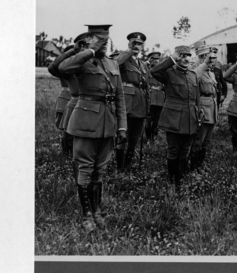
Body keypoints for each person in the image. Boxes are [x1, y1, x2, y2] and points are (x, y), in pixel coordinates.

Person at [58, 24, 127, 231]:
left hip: (108, 124)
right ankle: (86, 214)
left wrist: (122, 127)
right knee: (85, 168)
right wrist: (89, 50)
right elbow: (61, 69)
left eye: (105, 39)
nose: (104, 42)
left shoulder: (112, 63)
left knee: (100, 170)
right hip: (85, 122)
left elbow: (120, 97)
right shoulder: (81, 60)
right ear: (88, 40)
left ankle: (97, 210)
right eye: (99, 39)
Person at [150, 45, 207, 187]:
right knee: (174, 148)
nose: (186, 58)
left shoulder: (192, 75)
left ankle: (180, 178)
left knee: (185, 148)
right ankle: (171, 179)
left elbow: (196, 96)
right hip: (174, 117)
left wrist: (199, 110)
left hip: (190, 117)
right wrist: (171, 59)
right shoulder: (168, 72)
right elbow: (154, 71)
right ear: (177, 57)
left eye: (188, 55)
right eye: (182, 55)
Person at [50, 33, 90, 162]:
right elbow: (53, 68)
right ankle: (68, 159)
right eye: (82, 46)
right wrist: (73, 51)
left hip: (92, 105)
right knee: (69, 134)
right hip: (75, 102)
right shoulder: (70, 67)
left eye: (87, 46)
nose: (85, 49)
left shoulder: (96, 63)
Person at [115, 32, 150, 171]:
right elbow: (115, 64)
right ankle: (120, 167)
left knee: (134, 137)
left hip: (140, 105)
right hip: (127, 104)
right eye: (134, 43)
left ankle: (128, 164)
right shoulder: (123, 59)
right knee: (123, 136)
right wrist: (129, 51)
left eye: (140, 44)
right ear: (129, 44)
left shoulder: (143, 64)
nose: (137, 46)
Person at [190, 50, 219, 170]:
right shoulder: (197, 71)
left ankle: (200, 165)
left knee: (206, 141)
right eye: (209, 58)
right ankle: (193, 166)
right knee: (198, 140)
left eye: (213, 59)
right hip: (203, 107)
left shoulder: (211, 73)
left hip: (212, 107)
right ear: (202, 59)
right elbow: (193, 78)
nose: (212, 61)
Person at [48, 42, 78, 156]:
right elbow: (52, 67)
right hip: (67, 99)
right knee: (67, 130)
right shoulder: (64, 68)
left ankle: (72, 153)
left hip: (78, 99)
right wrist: (68, 54)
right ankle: (66, 154)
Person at [145, 51, 165, 141]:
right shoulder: (148, 71)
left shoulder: (162, 71)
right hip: (151, 96)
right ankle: (149, 138)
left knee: (157, 119)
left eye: (158, 59)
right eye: (154, 59)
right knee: (149, 118)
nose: (156, 61)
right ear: (150, 59)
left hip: (160, 97)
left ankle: (155, 137)